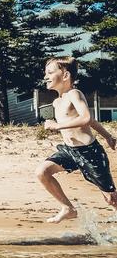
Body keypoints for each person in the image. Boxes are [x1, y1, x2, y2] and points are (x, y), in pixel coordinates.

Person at [35, 57, 117, 223]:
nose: (46, 77)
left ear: (65, 75)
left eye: (50, 72)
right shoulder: (57, 102)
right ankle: (68, 208)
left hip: (89, 152)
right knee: (42, 172)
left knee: (111, 199)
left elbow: (87, 118)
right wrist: (108, 136)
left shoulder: (74, 93)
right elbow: (91, 122)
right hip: (69, 151)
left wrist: (58, 126)